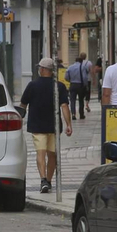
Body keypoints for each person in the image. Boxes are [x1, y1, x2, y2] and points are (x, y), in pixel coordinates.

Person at [18, 57, 73, 193]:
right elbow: (64, 106)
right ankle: (48, 180)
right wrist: (69, 124)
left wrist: (20, 116)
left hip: (37, 126)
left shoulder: (32, 85)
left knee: (40, 153)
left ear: (42, 69)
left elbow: (23, 105)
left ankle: (43, 180)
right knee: (52, 155)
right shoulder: (59, 86)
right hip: (54, 127)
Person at [65, 55, 90, 120]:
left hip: (72, 84)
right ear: (81, 61)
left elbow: (66, 77)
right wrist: (86, 85)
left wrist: (70, 80)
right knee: (81, 100)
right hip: (80, 85)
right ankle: (81, 114)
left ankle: (73, 114)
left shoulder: (70, 67)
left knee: (72, 100)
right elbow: (84, 77)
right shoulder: (82, 67)